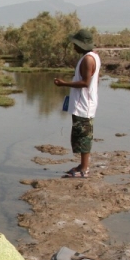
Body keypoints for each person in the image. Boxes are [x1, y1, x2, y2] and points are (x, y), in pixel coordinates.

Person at [53, 29, 100, 178]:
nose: (74, 47)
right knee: (81, 136)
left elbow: (86, 83)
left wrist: (64, 84)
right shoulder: (93, 57)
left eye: (75, 44)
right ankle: (82, 165)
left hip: (84, 105)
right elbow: (94, 81)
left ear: (82, 45)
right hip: (85, 102)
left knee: (84, 137)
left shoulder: (87, 59)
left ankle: (84, 169)